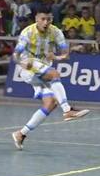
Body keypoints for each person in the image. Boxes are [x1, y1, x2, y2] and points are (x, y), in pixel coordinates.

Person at [10, 8, 90, 149]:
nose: (45, 22)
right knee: (55, 74)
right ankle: (67, 110)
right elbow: (15, 55)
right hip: (28, 67)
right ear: (36, 19)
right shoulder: (27, 32)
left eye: (48, 19)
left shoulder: (56, 32)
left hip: (43, 67)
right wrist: (21, 63)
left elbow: (66, 54)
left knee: (50, 104)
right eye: (42, 19)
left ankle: (21, 134)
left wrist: (57, 57)